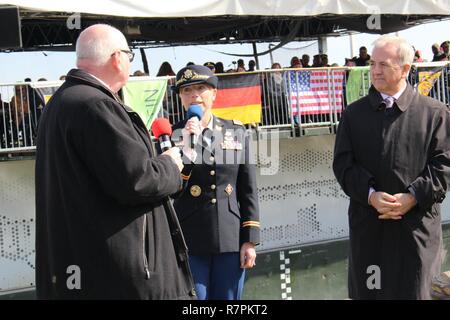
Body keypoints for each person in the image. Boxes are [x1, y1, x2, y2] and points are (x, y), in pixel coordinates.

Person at [35, 24, 196, 300]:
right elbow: (136, 180)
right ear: (116, 58)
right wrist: (170, 163)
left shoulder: (61, 102)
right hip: (119, 278)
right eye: (130, 56)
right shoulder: (96, 105)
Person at [333, 35, 450, 299]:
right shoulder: (353, 115)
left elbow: (444, 166)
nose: (375, 70)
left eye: (383, 64)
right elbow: (343, 165)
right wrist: (371, 195)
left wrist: (413, 196)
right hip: (370, 233)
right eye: (373, 63)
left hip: (416, 235)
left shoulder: (435, 113)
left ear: (406, 69)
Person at [171, 65, 260, 300]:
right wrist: (187, 149)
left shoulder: (236, 131)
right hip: (188, 240)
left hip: (229, 239)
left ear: (214, 94)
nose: (194, 95)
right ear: (180, 97)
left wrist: (250, 240)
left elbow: (248, 190)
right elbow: (169, 190)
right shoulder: (170, 135)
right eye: (187, 90)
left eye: (201, 88)